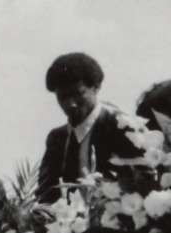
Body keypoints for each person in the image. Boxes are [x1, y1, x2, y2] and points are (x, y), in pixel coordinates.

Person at [35, 53, 139, 200]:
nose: (70, 104)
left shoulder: (121, 128)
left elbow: (140, 185)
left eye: (77, 94)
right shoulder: (56, 138)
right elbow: (45, 194)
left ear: (96, 87)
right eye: (62, 97)